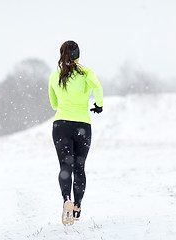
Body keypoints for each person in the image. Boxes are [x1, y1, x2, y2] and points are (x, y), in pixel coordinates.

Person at [48, 40, 103, 226]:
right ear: (78, 55)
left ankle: (66, 200)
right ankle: (78, 206)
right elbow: (98, 88)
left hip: (61, 125)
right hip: (82, 125)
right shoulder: (86, 73)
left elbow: (54, 104)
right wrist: (99, 105)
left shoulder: (54, 77)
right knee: (79, 167)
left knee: (65, 166)